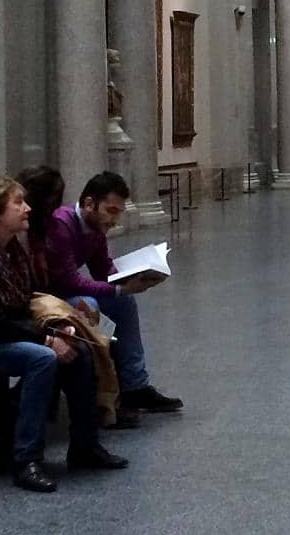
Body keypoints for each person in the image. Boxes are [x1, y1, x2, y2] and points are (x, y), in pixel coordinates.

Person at [0, 174, 124, 493]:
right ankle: (26, 459)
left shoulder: (8, 249)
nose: (27, 208)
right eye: (17, 203)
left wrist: (56, 326)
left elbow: (21, 304)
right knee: (42, 359)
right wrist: (46, 339)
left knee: (77, 351)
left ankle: (84, 447)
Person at [42, 171, 184, 419]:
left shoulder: (95, 228)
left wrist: (133, 277)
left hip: (66, 292)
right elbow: (68, 281)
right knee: (92, 304)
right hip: (49, 298)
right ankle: (103, 393)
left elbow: (102, 270)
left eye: (119, 212)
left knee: (123, 302)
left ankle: (134, 385)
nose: (114, 220)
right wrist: (118, 288)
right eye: (111, 211)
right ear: (89, 204)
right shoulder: (62, 225)